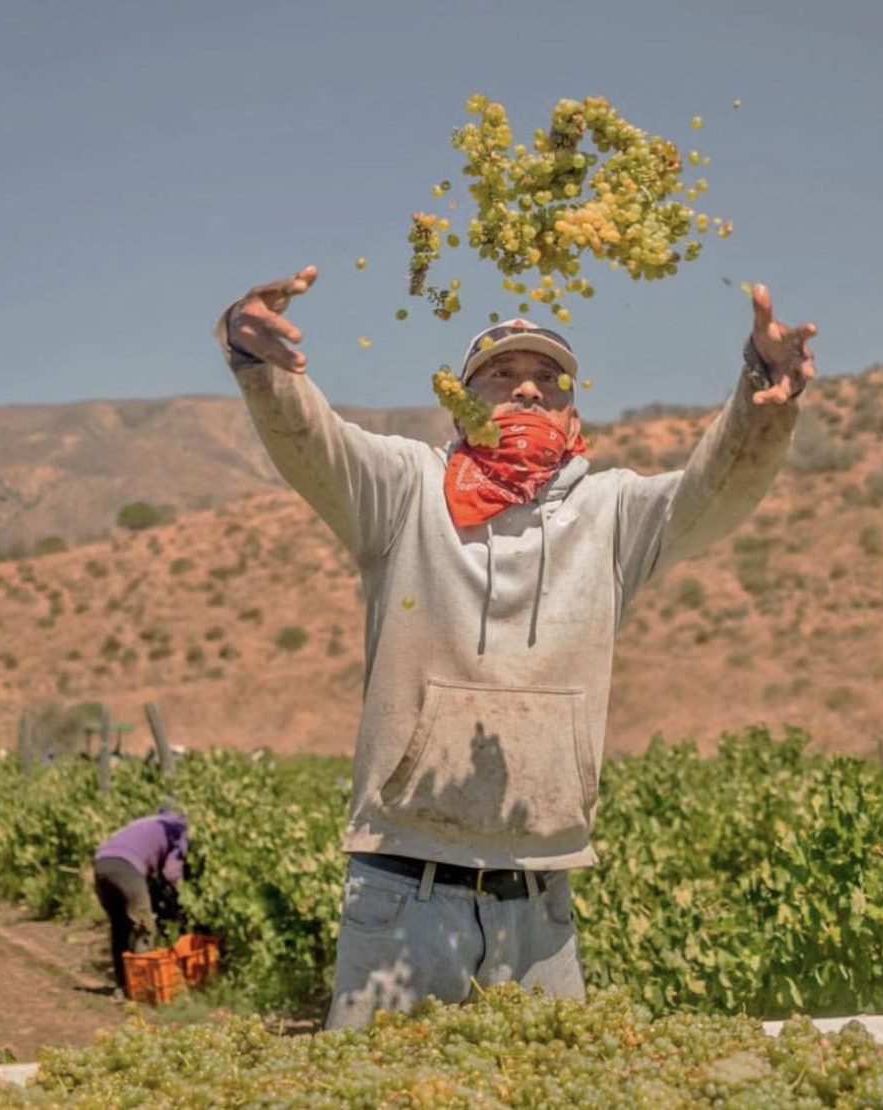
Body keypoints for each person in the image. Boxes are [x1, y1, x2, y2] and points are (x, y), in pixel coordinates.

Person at [217, 265, 816, 1028]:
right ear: (464, 400)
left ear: (571, 411)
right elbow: (312, 442)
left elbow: (715, 491)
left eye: (550, 380)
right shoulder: (405, 490)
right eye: (503, 375)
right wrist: (256, 360)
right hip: (403, 888)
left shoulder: (612, 512)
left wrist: (764, 393)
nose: (529, 390)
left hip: (542, 901)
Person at [93, 809, 189, 995]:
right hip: (128, 867)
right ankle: (144, 987)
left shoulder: (147, 821)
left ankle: (123, 986)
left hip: (101, 865)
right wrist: (181, 897)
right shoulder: (179, 830)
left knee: (120, 926)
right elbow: (171, 872)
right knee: (144, 925)